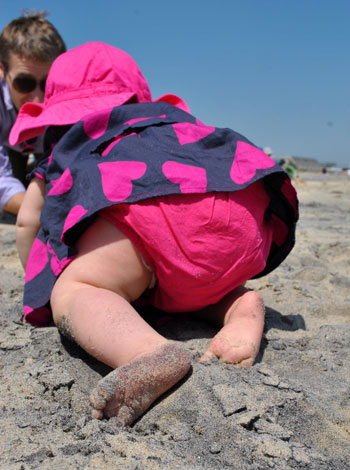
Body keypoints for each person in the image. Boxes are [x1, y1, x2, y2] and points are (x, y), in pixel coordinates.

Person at [11, 42, 298, 427]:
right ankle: (236, 305)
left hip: (152, 219)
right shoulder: (165, 126)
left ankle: (147, 352)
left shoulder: (69, 141)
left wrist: (43, 281)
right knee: (182, 288)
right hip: (241, 216)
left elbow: (28, 221)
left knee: (78, 289)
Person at [0, 11, 66, 214]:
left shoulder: (67, 94)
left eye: (47, 84)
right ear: (2, 70)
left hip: (47, 149)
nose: (37, 99)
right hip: (8, 147)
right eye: (24, 83)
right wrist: (45, 212)